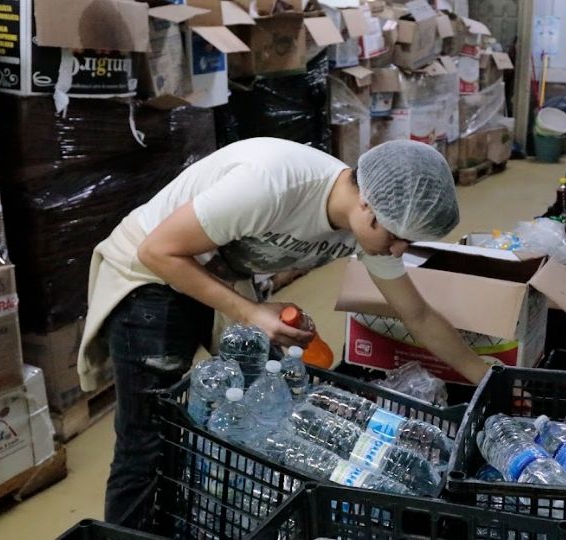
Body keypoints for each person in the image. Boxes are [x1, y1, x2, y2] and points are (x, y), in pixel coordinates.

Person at [77, 138, 489, 526]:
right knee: (146, 440)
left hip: (213, 270)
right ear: (368, 203)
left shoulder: (367, 227)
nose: (398, 250)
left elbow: (416, 314)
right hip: (149, 272)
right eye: (397, 237)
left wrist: (489, 382)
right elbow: (157, 250)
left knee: (271, 410)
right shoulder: (272, 184)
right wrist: (251, 312)